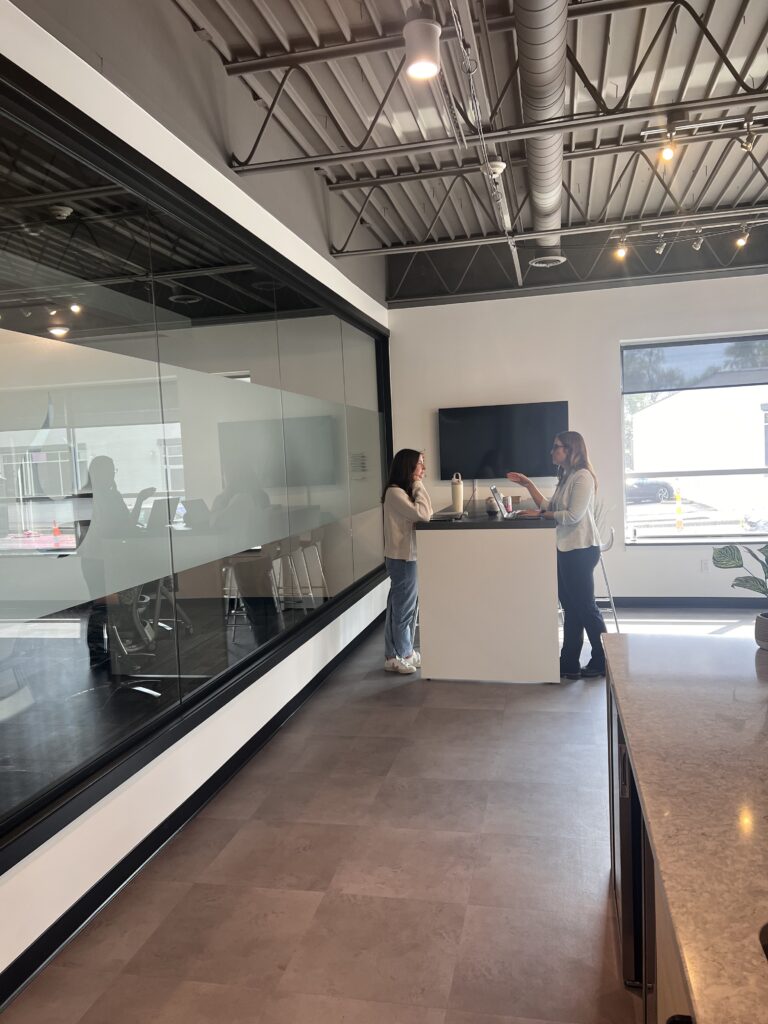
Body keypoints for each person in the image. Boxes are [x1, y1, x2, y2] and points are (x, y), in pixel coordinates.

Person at [507, 431, 607, 680]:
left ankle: (603, 660)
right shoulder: (567, 476)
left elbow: (572, 516)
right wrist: (528, 485)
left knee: (585, 607)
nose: (552, 451)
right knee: (571, 607)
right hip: (566, 549)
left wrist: (542, 515)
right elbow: (550, 507)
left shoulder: (582, 477)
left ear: (570, 450)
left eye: (556, 447)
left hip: (581, 550)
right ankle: (569, 662)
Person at [78, 456, 155, 667]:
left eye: (114, 469)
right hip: (96, 558)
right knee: (101, 607)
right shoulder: (89, 496)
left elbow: (127, 524)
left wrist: (139, 500)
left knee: (110, 607)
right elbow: (109, 528)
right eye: (109, 470)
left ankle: (112, 652)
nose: (112, 474)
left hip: (111, 557)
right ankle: (99, 654)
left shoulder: (112, 494)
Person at [382, 448, 433, 674]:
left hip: (406, 557)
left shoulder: (402, 492)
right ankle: (401, 654)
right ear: (408, 467)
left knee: (402, 607)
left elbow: (425, 511)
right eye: (420, 464)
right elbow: (423, 514)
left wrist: (416, 486)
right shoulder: (395, 493)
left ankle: (398, 654)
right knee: (403, 609)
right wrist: (418, 485)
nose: (423, 468)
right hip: (402, 559)